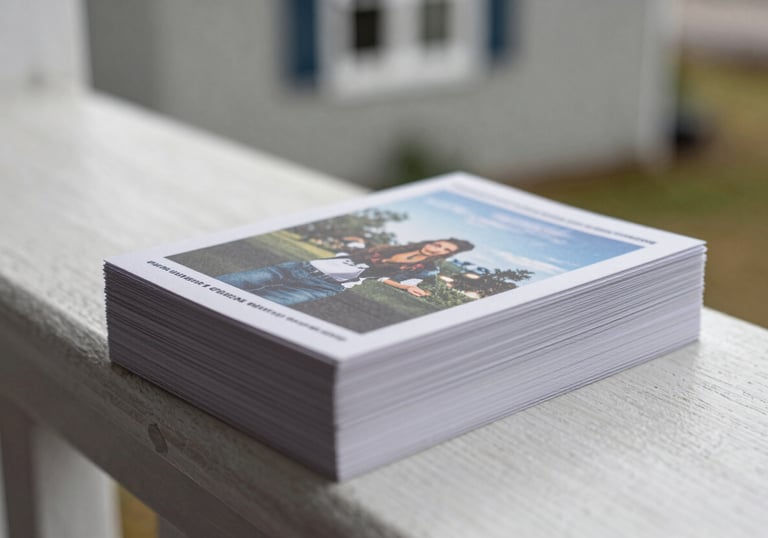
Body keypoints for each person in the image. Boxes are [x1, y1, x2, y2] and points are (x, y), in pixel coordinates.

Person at [216, 238, 474, 306]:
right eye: (437, 242)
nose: (436, 248)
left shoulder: (426, 269)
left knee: (264, 307)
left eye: (443, 248)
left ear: (445, 254)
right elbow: (355, 252)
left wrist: (406, 287)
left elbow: (388, 279)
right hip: (302, 268)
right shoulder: (395, 247)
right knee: (223, 286)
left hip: (324, 286)